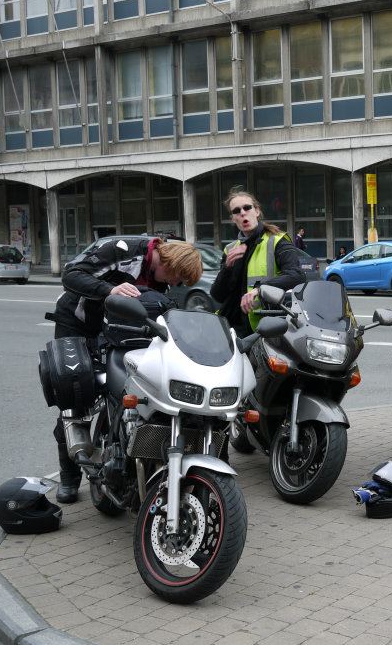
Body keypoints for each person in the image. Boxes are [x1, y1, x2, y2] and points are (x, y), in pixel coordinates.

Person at [52, 237, 203, 503]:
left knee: (129, 385)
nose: (177, 283)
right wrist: (110, 289)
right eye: (179, 277)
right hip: (79, 322)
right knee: (76, 391)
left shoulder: (162, 280)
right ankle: (69, 477)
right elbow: (71, 275)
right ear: (171, 263)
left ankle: (123, 455)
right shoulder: (121, 250)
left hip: (119, 328)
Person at [211, 188, 307, 338]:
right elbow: (217, 295)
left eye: (247, 208)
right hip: (230, 329)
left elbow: (297, 275)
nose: (242, 213)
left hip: (264, 328)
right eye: (236, 211)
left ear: (257, 211)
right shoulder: (230, 249)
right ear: (233, 219)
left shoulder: (277, 241)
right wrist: (227, 268)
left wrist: (259, 290)